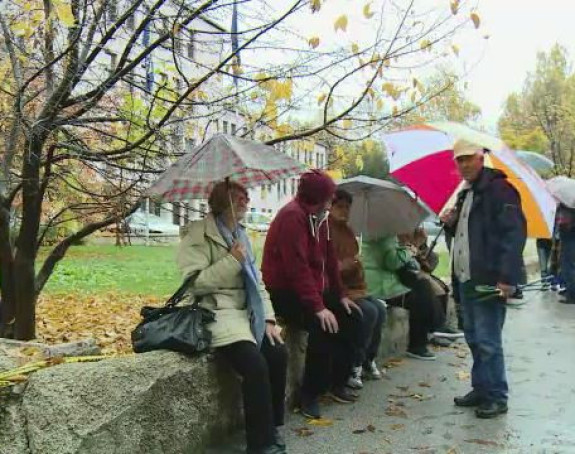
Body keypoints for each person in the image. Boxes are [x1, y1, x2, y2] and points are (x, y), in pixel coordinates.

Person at [177, 181, 287, 454]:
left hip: (247, 311)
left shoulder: (241, 234)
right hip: (217, 312)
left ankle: (271, 425)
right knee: (255, 364)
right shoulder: (197, 234)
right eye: (239, 196)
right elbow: (195, 284)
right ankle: (260, 444)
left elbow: (257, 282)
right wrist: (232, 261)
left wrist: (269, 319)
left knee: (278, 352)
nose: (245, 201)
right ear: (221, 199)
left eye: (247, 197)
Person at [262, 170, 363, 420]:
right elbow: (297, 269)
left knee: (352, 318)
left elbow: (329, 261)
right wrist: (319, 308)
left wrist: (339, 296)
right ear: (318, 198)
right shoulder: (292, 217)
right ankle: (309, 394)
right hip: (284, 291)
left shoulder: (321, 220)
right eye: (329, 198)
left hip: (312, 289)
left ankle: (337, 383)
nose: (332, 202)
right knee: (322, 326)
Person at [441, 139, 526, 419]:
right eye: (459, 160)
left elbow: (513, 236)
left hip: (489, 278)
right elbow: (468, 235)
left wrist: (506, 278)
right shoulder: (467, 193)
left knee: (489, 339)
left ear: (481, 158)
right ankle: (481, 388)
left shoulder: (500, 190)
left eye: (468, 158)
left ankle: (497, 396)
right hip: (466, 278)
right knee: (474, 337)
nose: (464, 165)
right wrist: (451, 223)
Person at [329, 189, 387, 389]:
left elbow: (352, 260)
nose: (344, 211)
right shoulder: (325, 230)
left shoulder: (348, 230)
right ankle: (354, 363)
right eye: (339, 207)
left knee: (380, 309)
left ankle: (368, 358)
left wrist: (356, 265)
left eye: (347, 207)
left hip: (353, 286)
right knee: (368, 312)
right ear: (330, 206)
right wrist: (344, 266)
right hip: (337, 288)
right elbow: (326, 266)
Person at [362, 234, 444, 360]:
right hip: (382, 287)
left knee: (423, 287)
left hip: (386, 283)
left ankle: (432, 331)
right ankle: (419, 343)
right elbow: (392, 262)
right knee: (419, 297)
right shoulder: (383, 235)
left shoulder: (383, 233)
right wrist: (410, 250)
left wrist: (407, 248)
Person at [556, 203, 575, 304]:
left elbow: (567, 218)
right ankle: (570, 289)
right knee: (567, 264)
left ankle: (572, 294)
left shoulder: (568, 200)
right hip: (567, 232)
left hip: (569, 232)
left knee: (568, 264)